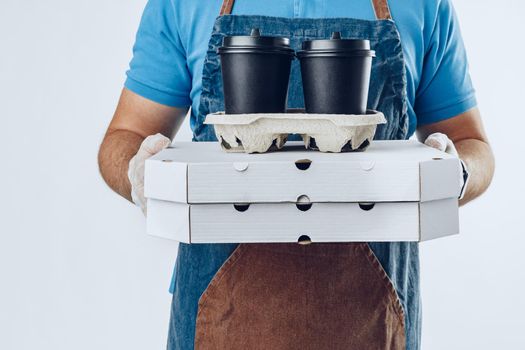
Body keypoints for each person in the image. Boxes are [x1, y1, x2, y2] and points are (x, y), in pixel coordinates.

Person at [98, 0, 495, 349]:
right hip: (218, 315)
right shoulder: (182, 4)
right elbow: (125, 136)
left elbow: (471, 144)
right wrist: (141, 172)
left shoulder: (424, 5)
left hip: (374, 316)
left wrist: (454, 171)